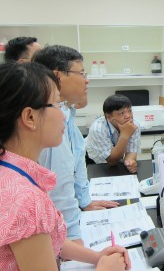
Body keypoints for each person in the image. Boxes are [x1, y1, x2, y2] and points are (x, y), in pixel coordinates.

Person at [0, 62, 130, 271]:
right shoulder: (26, 200)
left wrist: (96, 257)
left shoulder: (11, 172)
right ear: (30, 117)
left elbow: (46, 240)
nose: (63, 115)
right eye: (57, 105)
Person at [32, 45, 119, 245]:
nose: (86, 79)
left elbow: (76, 165)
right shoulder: (49, 122)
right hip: (56, 234)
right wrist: (72, 236)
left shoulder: (67, 112)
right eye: (81, 73)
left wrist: (84, 200)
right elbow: (58, 188)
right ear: (57, 76)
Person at [86, 94, 141, 173]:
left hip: (117, 159)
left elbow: (131, 151)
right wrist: (125, 134)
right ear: (109, 117)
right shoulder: (97, 129)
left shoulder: (134, 125)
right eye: (122, 113)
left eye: (129, 111)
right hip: (95, 162)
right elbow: (112, 161)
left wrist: (130, 162)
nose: (128, 116)